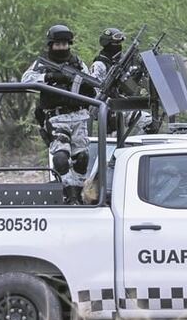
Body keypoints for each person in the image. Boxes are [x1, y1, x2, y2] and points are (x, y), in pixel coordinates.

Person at [22, 24, 95, 205]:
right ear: (51, 45)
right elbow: (26, 80)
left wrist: (87, 89)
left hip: (78, 116)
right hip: (56, 118)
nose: (62, 47)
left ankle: (77, 195)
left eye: (65, 44)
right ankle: (68, 194)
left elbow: (90, 83)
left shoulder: (77, 62)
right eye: (58, 44)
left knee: (82, 158)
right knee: (61, 158)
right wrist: (50, 77)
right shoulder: (42, 63)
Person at [90, 26, 154, 134]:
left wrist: (138, 74)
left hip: (123, 104)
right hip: (108, 109)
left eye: (119, 43)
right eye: (114, 44)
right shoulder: (99, 65)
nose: (118, 47)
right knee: (114, 139)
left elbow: (130, 86)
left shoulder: (121, 63)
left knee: (150, 123)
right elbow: (96, 91)